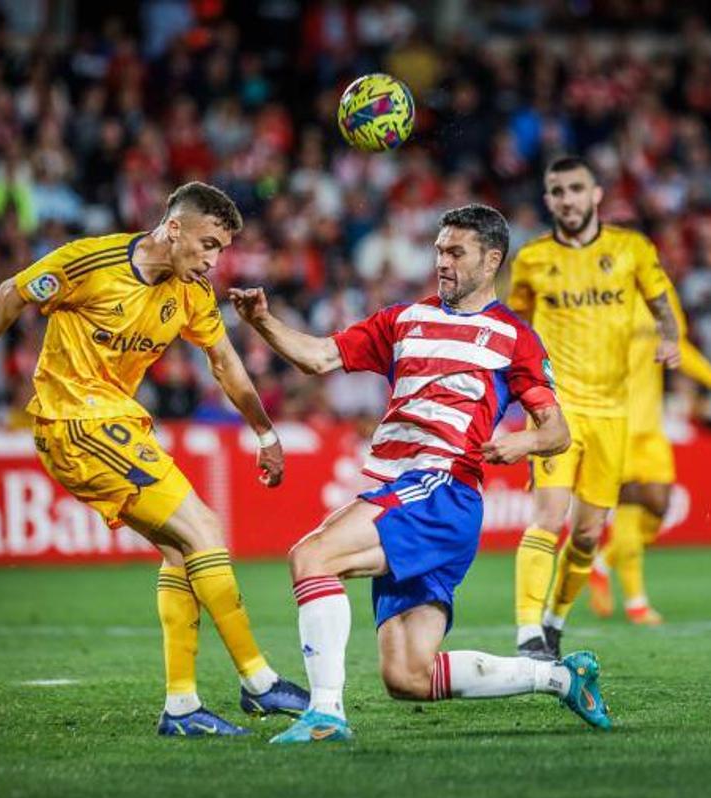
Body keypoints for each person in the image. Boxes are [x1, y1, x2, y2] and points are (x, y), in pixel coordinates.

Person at [230, 204, 611, 744]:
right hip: (404, 492)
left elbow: (556, 431)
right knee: (407, 676)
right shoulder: (403, 319)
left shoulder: (513, 336)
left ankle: (325, 714)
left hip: (441, 489)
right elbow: (318, 358)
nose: (442, 262)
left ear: (491, 259)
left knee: (311, 556)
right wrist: (261, 321)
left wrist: (518, 442)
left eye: (456, 252)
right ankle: (559, 677)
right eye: (438, 251)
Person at [0, 181, 309, 736]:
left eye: (221, 251)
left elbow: (226, 364)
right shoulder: (91, 262)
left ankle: (182, 708)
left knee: (182, 552)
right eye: (208, 244)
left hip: (113, 422)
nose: (213, 259)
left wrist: (264, 433)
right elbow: (10, 294)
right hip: (75, 420)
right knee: (205, 528)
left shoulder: (190, 293)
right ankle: (259, 681)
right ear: (174, 228)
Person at [507, 156, 681, 660]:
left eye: (576, 189)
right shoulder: (533, 259)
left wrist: (669, 338)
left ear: (596, 194)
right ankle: (527, 634)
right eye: (557, 191)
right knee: (548, 517)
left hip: (613, 411)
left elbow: (661, 300)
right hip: (554, 409)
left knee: (586, 534)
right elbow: (515, 326)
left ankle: (555, 621)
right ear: (548, 200)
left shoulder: (631, 249)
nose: (567, 199)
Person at [589, 278, 711, 625]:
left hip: (650, 425)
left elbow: (680, 350)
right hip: (613, 424)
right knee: (631, 509)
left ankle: (602, 563)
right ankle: (637, 603)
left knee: (659, 505)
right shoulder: (598, 297)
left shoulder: (660, 294)